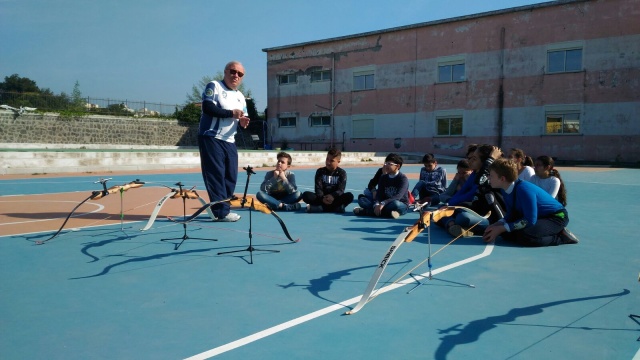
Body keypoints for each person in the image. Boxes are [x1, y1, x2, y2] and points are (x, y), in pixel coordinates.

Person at [198, 61, 250, 222]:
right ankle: (221, 212)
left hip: (229, 140)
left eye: (240, 74)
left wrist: (243, 121)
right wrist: (230, 113)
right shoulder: (214, 86)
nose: (236, 75)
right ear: (226, 72)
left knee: (231, 176)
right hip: (212, 137)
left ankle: (222, 209)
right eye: (233, 71)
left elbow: (242, 116)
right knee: (216, 175)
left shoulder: (241, 96)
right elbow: (208, 108)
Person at [483, 158, 579, 246]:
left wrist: (502, 228)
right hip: (539, 216)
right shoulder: (505, 189)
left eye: (491, 175)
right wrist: (498, 224)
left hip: (556, 217)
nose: (488, 178)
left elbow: (529, 220)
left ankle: (561, 237)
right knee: (506, 234)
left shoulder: (524, 189)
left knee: (526, 237)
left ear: (502, 178)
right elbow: (511, 213)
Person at [439, 144, 505, 237]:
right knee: (441, 211)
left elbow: (471, 193)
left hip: (488, 216)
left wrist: (490, 159)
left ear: (485, 162)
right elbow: (462, 191)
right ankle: (452, 226)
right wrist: (449, 204)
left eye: (474, 159)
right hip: (475, 208)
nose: (469, 161)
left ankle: (455, 224)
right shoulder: (475, 174)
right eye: (469, 158)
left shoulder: (490, 177)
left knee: (463, 218)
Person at [353, 153, 410, 219]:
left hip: (400, 204)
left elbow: (398, 196)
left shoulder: (403, 178)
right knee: (362, 200)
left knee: (395, 204)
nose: (386, 166)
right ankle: (389, 213)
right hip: (385, 204)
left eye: (389, 164)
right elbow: (379, 194)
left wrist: (383, 203)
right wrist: (377, 204)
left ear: (397, 166)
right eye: (386, 163)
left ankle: (367, 212)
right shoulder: (383, 177)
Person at [302, 148, 354, 213]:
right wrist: (322, 198)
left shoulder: (341, 173)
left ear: (338, 162)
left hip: (335, 198)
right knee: (306, 195)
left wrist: (332, 196)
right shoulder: (320, 171)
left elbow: (341, 190)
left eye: (332, 161)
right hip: (321, 198)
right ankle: (335, 208)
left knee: (349, 196)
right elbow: (318, 188)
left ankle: (321, 208)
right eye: (327, 159)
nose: (328, 162)